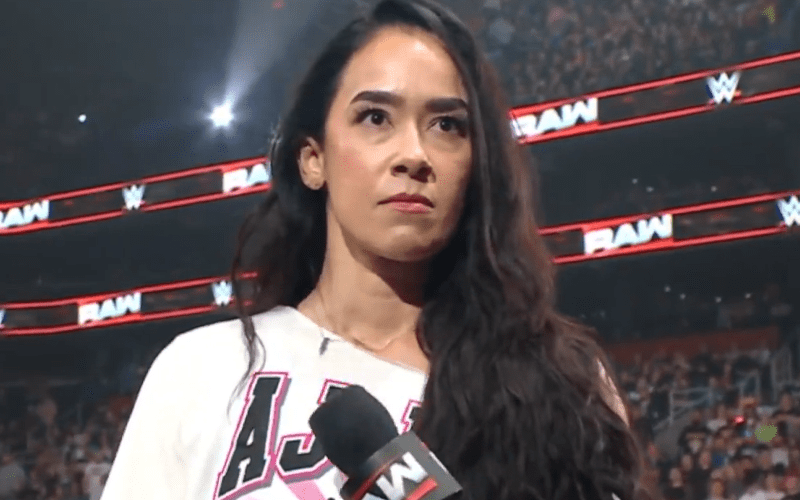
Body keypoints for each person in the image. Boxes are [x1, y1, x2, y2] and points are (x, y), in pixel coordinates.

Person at [100, 1, 649, 499]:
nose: (414, 154)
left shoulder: (563, 385)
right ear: (313, 159)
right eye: (375, 117)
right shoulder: (201, 370)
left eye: (447, 125)